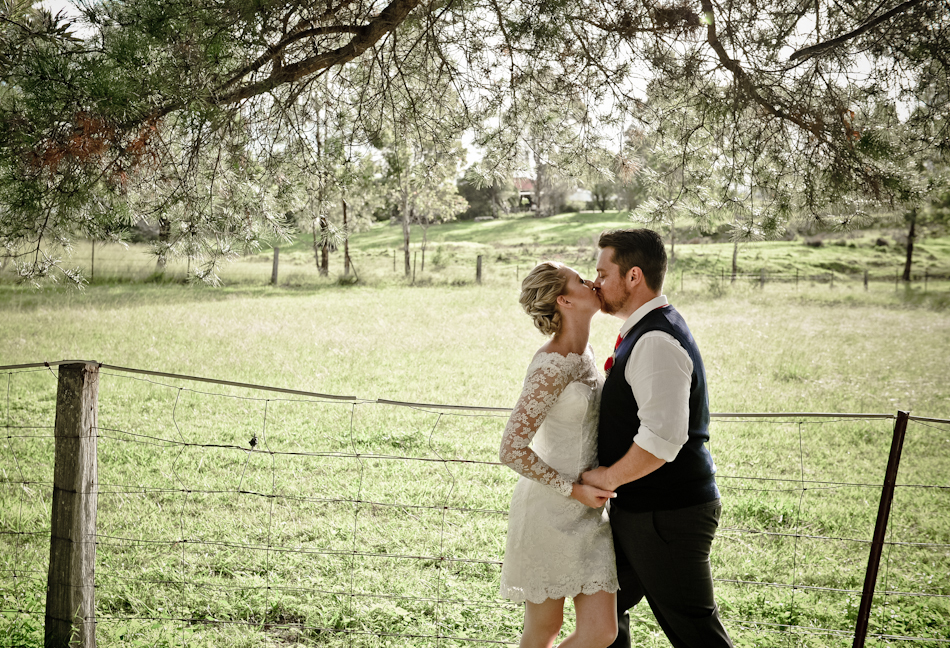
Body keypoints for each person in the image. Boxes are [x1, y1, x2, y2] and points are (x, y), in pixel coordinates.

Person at [582, 229, 733, 648]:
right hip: (644, 510)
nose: (596, 282)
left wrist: (606, 478)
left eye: (603, 273)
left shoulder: (655, 341)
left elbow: (661, 440)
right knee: (602, 616)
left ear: (633, 276)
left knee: (695, 633)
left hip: (668, 515)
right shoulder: (646, 330)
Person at [499, 261, 620, 648]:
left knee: (602, 631)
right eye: (580, 280)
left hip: (591, 511)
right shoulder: (550, 365)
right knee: (544, 629)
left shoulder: (587, 354)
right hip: (549, 510)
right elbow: (511, 449)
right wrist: (573, 490)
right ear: (565, 300)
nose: (592, 282)